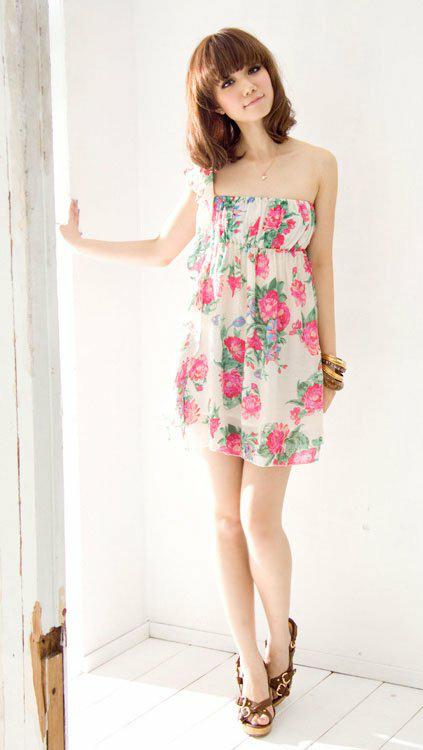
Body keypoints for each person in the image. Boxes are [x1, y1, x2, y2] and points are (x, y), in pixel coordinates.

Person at [59, 26, 346, 738]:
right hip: (213, 361)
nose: (247, 87)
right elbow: (163, 251)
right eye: (228, 82)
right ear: (211, 101)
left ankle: (281, 640)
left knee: (259, 518)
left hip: (283, 362)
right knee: (223, 519)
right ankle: (249, 662)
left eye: (254, 71)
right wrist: (80, 244)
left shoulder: (317, 164)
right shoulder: (206, 176)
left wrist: (330, 362)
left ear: (270, 75)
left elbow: (320, 264)